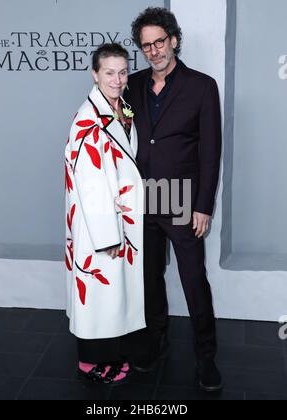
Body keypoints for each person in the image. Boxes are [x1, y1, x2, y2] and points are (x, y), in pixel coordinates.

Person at [124, 7, 223, 392]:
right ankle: (155, 342)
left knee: (193, 280)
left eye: (159, 42)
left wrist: (203, 206)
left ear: (174, 40)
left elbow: (210, 151)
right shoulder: (130, 85)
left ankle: (206, 357)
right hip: (142, 198)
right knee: (148, 280)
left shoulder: (202, 86)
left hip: (182, 199)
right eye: (146, 45)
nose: (153, 51)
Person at [64, 43, 145, 384]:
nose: (117, 79)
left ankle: (110, 353)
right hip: (100, 225)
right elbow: (91, 183)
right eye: (109, 72)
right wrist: (108, 236)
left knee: (110, 293)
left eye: (123, 72)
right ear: (95, 74)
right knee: (96, 293)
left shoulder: (121, 107)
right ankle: (89, 362)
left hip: (119, 219)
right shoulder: (87, 120)